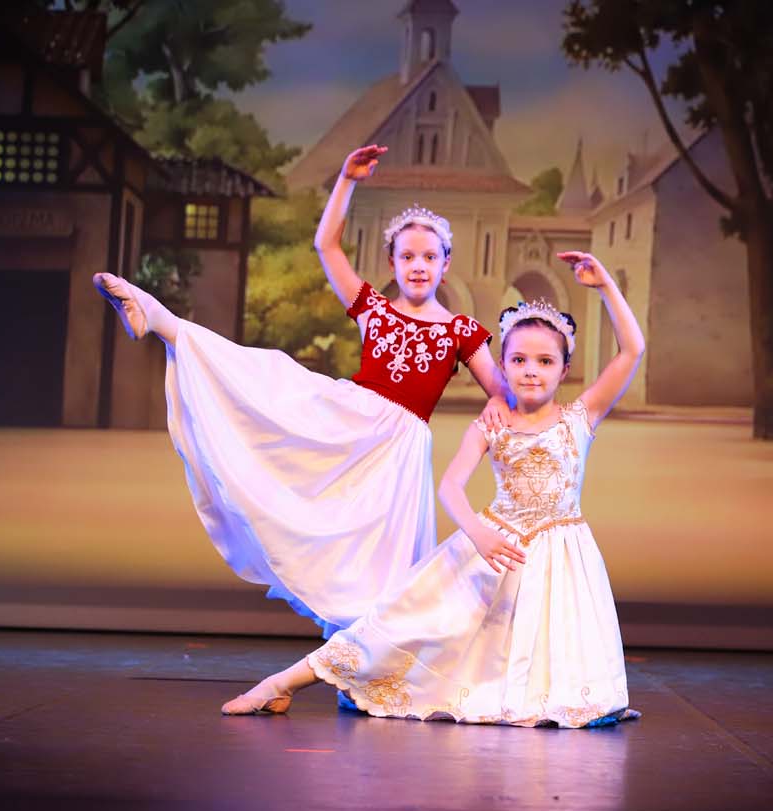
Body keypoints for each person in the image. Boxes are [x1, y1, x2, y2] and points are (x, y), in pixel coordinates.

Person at [93, 144, 512, 636]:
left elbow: (500, 386)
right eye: (407, 256)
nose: (418, 265)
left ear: (446, 263)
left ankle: (363, 652)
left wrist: (496, 402)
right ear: (392, 262)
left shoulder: (462, 330)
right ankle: (159, 317)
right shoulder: (373, 308)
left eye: (429, 256)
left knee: (381, 558)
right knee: (264, 379)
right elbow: (327, 247)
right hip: (353, 420)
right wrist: (347, 180)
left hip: (400, 450)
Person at [222, 251, 646, 728]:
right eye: (519, 360)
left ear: (564, 370)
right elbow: (450, 486)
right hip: (492, 545)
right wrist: (479, 534)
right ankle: (280, 683)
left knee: (542, 652)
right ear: (502, 366)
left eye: (545, 361)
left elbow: (631, 350)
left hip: (561, 555)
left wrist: (605, 285)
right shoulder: (492, 423)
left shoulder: (580, 417)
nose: (531, 370)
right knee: (403, 621)